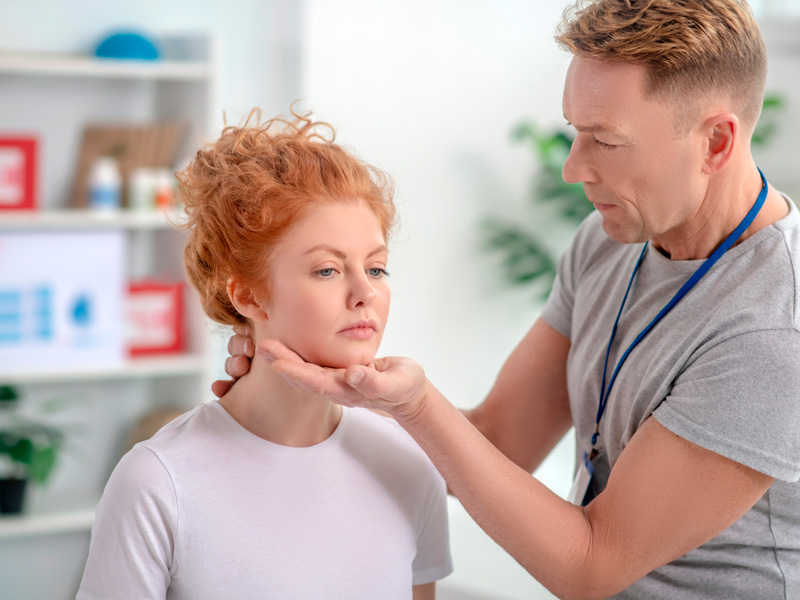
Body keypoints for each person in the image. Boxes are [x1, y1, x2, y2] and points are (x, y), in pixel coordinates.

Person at [217, 1, 800, 598]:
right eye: (576, 131)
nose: (574, 168)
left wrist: (414, 406)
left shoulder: (772, 332)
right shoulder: (607, 245)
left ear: (717, 142)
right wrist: (318, 398)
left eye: (605, 140)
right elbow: (498, 439)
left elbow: (590, 566)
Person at [77, 110, 453, 600]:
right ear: (249, 298)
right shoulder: (157, 482)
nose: (366, 293)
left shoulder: (407, 461)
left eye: (377, 268)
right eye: (327, 270)